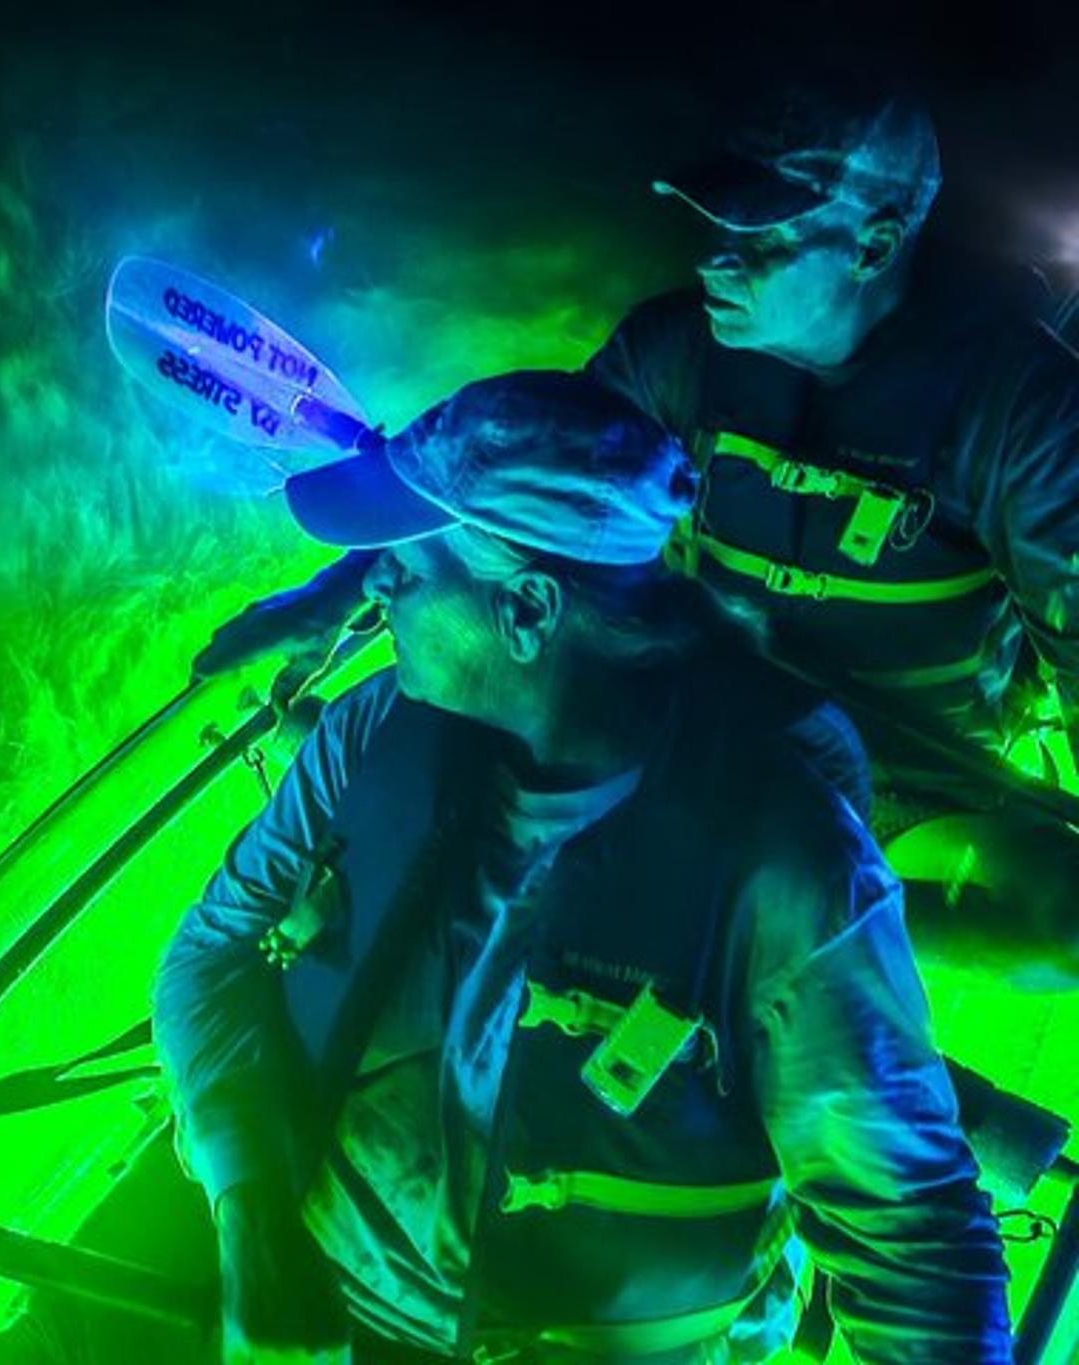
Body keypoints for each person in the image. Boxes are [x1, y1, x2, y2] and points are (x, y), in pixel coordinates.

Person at [157, 369, 1010, 1362]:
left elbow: (913, 1250)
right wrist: (250, 1224)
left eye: (408, 563)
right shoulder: (369, 734)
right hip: (317, 1289)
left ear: (524, 612)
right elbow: (206, 951)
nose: (374, 582)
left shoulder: (788, 869)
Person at [195, 89, 1079, 986]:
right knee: (479, 719)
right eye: (716, 228)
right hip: (693, 708)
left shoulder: (1023, 412)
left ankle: (794, 916)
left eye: (761, 239)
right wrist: (327, 599)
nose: (716, 264)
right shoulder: (675, 347)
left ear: (875, 245)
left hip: (915, 773)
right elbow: (512, 477)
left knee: (1060, 922)